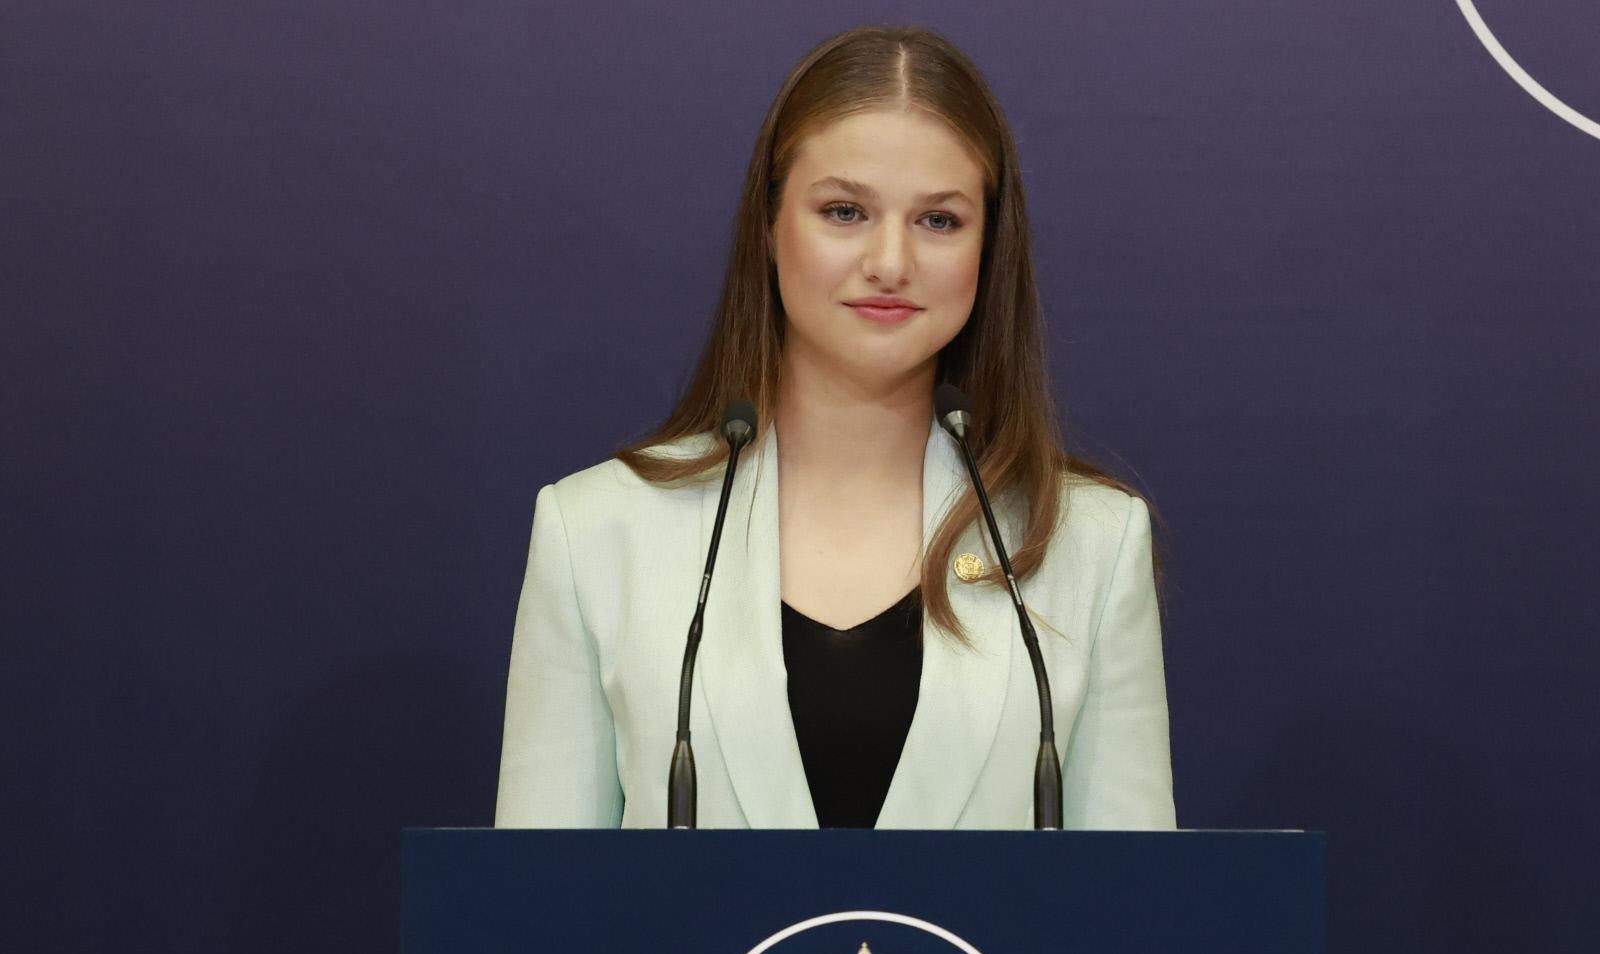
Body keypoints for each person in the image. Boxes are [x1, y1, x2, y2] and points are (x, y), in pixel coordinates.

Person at [495, 25, 1174, 830]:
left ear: (989, 251)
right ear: (769, 229)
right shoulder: (598, 531)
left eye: (940, 221)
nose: (890, 261)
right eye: (845, 211)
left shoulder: (1091, 541)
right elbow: (538, 925)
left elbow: (1133, 925)